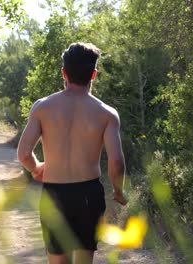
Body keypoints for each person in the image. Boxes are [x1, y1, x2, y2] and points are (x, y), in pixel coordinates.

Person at [17, 42, 127, 264]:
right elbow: (116, 162)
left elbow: (24, 153)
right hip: (89, 194)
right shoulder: (107, 114)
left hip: (54, 195)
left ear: (64, 73)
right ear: (94, 74)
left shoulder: (42, 107)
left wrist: (36, 168)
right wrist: (118, 190)